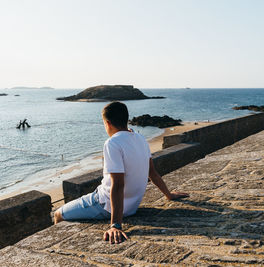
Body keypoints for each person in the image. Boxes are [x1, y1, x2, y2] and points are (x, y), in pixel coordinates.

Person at [54, 101, 189, 244]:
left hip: (103, 204)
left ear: (107, 123)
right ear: (126, 119)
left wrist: (115, 225)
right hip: (132, 207)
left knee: (58, 214)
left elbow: (118, 184)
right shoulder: (141, 139)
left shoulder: (112, 143)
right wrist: (169, 194)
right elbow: (152, 173)